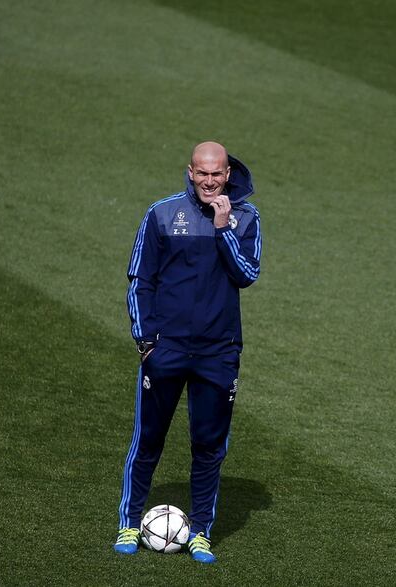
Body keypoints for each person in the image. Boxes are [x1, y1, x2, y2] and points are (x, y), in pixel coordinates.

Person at [112, 141, 261, 563]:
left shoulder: (246, 217)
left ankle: (200, 532)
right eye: (202, 173)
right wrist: (146, 340)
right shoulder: (161, 213)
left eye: (217, 174)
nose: (209, 181)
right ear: (191, 172)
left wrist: (223, 228)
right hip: (167, 349)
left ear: (227, 174)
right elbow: (140, 278)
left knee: (209, 446)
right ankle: (129, 522)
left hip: (219, 352)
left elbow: (247, 274)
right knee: (148, 439)